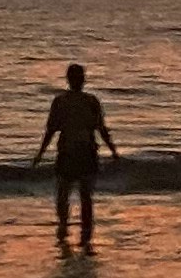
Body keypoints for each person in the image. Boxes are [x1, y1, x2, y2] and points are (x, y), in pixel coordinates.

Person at [35, 62, 118, 239]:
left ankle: (66, 226)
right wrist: (113, 151)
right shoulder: (88, 101)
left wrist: (41, 154)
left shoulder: (63, 101)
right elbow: (101, 129)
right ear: (82, 80)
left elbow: (51, 130)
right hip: (82, 152)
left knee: (66, 192)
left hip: (72, 151)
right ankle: (83, 232)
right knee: (83, 194)